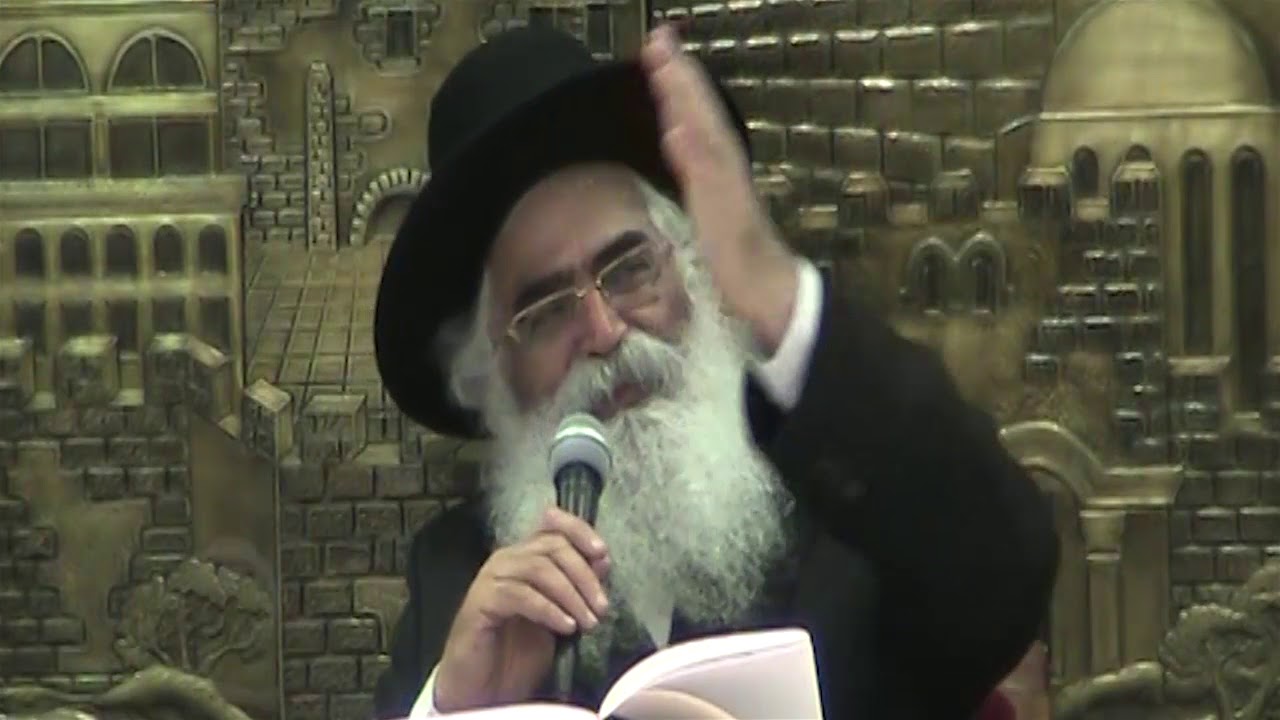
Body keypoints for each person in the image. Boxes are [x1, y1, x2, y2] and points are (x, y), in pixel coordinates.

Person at [370, 23, 1059, 720]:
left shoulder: (848, 506)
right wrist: (458, 710)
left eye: (629, 269)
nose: (604, 333)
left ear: (694, 271)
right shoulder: (455, 583)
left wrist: (779, 295)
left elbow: (1004, 570)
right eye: (546, 313)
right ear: (493, 376)